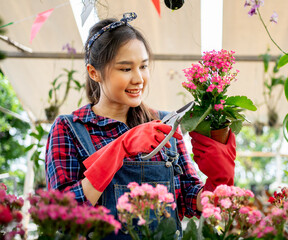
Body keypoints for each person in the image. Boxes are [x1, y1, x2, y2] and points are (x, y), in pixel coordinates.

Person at [45, 12, 236, 239]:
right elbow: (62, 218)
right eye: (125, 69)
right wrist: (118, 149)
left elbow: (189, 201)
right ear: (94, 73)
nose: (139, 79)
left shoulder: (165, 123)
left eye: (143, 66)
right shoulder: (70, 129)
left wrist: (219, 180)